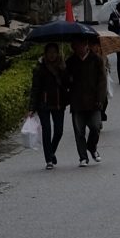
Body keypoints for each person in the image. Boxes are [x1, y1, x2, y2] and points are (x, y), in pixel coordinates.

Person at [69, 30, 109, 165]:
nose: (78, 48)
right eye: (75, 46)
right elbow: (65, 82)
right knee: (79, 131)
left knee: (95, 127)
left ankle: (92, 147)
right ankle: (83, 157)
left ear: (86, 45)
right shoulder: (70, 61)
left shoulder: (96, 59)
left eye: (80, 45)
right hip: (77, 101)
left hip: (94, 101)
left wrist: (100, 99)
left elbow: (102, 81)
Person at [31, 40, 72, 168]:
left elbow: (68, 84)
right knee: (47, 130)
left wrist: (64, 71)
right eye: (50, 53)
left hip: (59, 102)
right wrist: (31, 107)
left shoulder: (62, 66)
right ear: (45, 54)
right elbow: (35, 88)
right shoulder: (40, 68)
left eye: (55, 52)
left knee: (59, 131)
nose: (52, 55)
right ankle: (48, 159)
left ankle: (51, 152)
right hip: (44, 103)